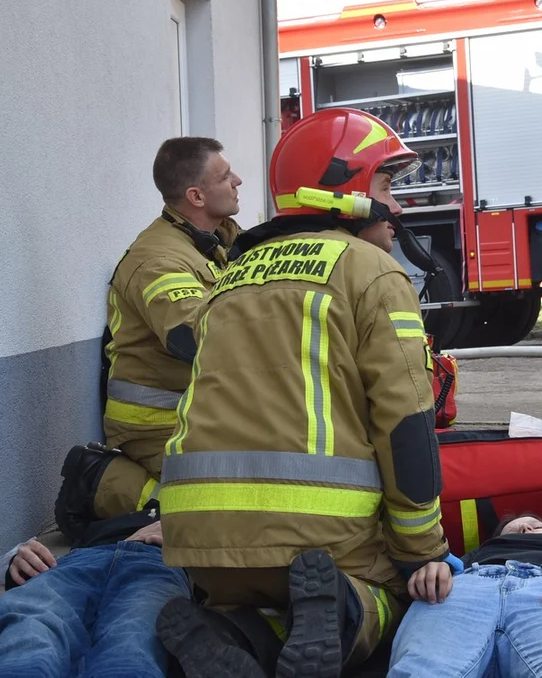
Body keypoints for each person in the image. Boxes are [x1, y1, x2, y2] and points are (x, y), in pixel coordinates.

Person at [154, 107, 453, 678]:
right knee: (399, 592)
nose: (397, 208)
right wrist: (422, 552)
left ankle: (230, 630)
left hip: (200, 541)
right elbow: (406, 425)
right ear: (345, 192)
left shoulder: (230, 277)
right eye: (387, 186)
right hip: (320, 542)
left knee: (259, 606)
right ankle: (346, 610)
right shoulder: (372, 272)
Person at [55, 137, 243, 541]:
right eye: (226, 176)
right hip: (158, 424)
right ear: (196, 195)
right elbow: (189, 336)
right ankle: (100, 485)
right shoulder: (159, 258)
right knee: (223, 511)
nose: (238, 181)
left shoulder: (218, 242)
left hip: (200, 413)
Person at [387, 514, 542, 677]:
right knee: (424, 670)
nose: (525, 528)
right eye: (513, 528)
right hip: (466, 587)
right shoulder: (473, 558)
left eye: (537, 526)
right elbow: (431, 582)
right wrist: (434, 570)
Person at [0, 509, 190, 677]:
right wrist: (20, 564)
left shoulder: (203, 521)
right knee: (32, 624)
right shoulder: (106, 516)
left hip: (160, 560)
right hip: (83, 556)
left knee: (133, 638)